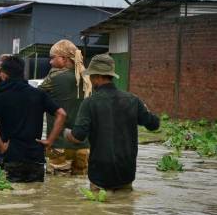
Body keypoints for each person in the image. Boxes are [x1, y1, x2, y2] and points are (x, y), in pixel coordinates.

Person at [65, 54, 160, 191]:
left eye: (91, 76)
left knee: (98, 211)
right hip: (125, 172)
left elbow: (78, 135)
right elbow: (154, 124)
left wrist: (67, 133)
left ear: (97, 77)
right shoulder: (132, 100)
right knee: (123, 209)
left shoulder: (90, 103)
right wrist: (145, 109)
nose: (90, 80)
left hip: (100, 173)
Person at [0, 56, 67, 182]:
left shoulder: (1, 96)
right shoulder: (38, 94)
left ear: (6, 74)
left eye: (1, 71)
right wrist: (50, 141)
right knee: (35, 197)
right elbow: (61, 114)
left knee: (12, 198)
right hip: (36, 157)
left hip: (13, 155)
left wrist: (2, 147)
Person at [39, 40, 93, 176]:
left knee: (56, 190)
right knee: (78, 187)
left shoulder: (54, 76)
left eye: (52, 58)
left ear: (63, 59)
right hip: (83, 146)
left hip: (59, 144)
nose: (50, 62)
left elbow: (36, 96)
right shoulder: (88, 79)